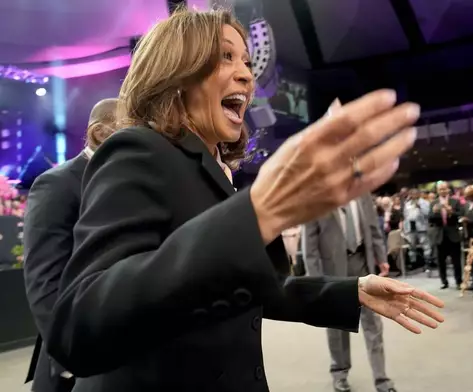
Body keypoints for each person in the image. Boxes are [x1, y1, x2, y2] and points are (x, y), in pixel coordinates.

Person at [45, 9, 444, 392]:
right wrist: (258, 212)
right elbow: (80, 325)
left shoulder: (214, 169)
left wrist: (348, 289)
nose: (246, 74)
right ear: (177, 72)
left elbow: (244, 287)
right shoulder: (137, 150)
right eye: (226, 57)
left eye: (248, 62)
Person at [23, 98, 118, 392]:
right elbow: (44, 282)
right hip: (73, 368)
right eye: (133, 127)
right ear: (100, 133)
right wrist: (70, 357)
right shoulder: (57, 184)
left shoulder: (130, 180)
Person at [305, 195, 396, 392]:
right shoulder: (315, 199)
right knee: (338, 327)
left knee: (373, 325)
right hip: (334, 273)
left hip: (364, 266)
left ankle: (382, 380)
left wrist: (381, 257)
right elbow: (309, 247)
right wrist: (315, 282)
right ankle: (339, 373)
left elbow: (373, 230)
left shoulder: (363, 196)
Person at [429, 182, 463, 289]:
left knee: (456, 260)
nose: (443, 191)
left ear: (448, 190)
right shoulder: (433, 203)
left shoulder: (455, 201)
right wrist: (434, 212)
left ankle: (459, 281)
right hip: (439, 235)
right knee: (441, 261)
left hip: (453, 234)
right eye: (441, 189)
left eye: (445, 189)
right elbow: (430, 219)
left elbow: (461, 215)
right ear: (438, 191)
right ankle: (444, 281)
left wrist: (451, 211)